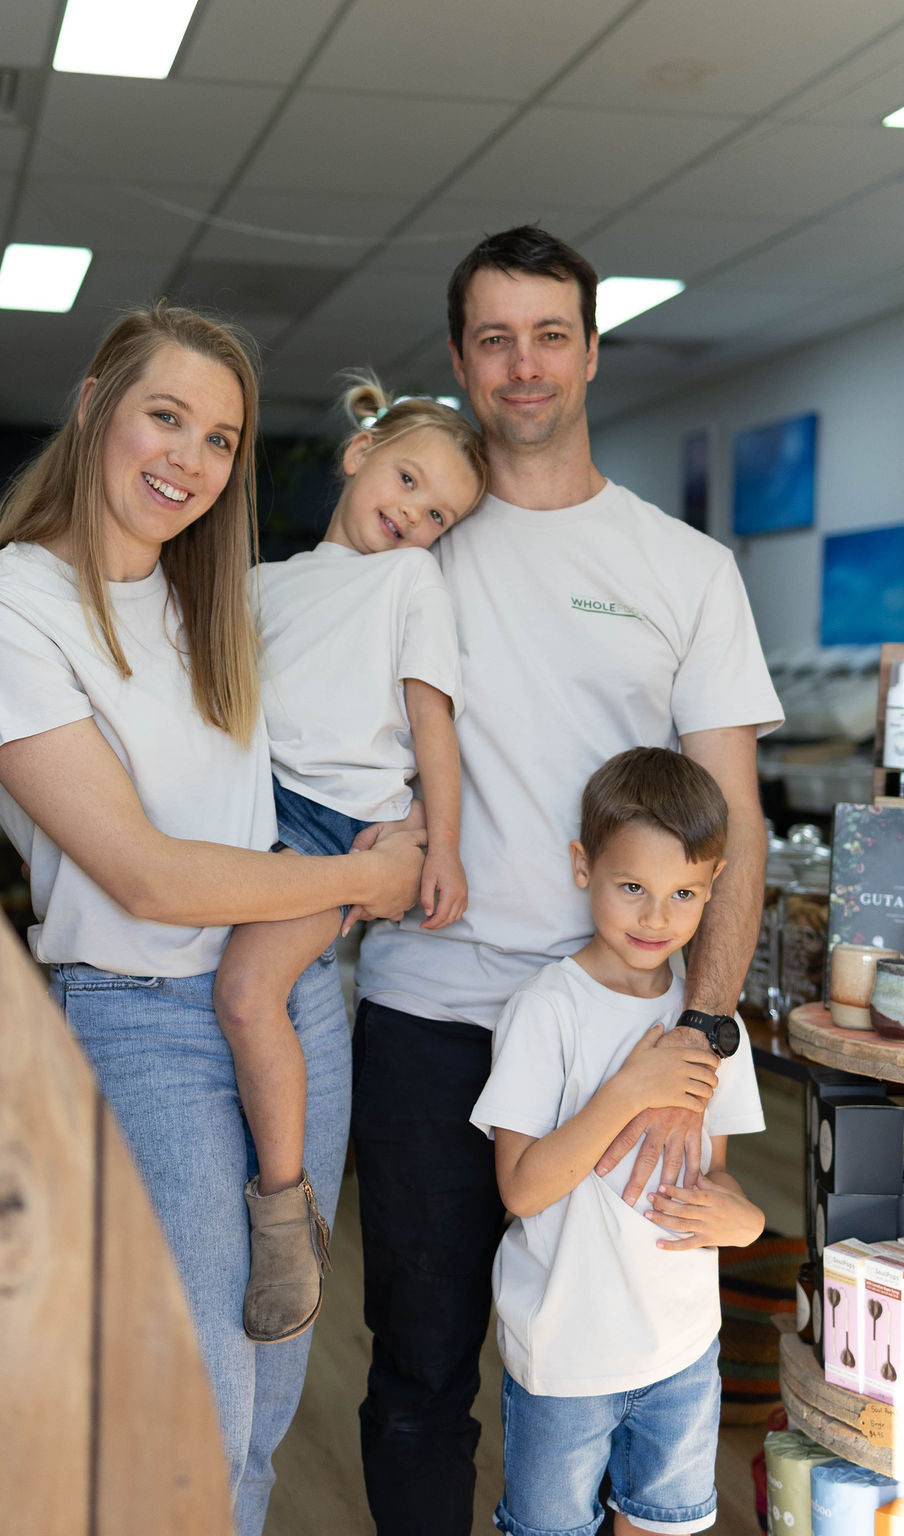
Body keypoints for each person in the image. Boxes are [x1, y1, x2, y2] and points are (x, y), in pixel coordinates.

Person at [0, 302, 425, 1536]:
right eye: (166, 416)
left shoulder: (220, 606)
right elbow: (147, 876)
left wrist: (408, 828)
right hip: (145, 1030)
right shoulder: (6, 614)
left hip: (294, 1009)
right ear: (97, 401)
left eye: (221, 439)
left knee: (264, 1401)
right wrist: (363, 881)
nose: (188, 460)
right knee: (189, 1412)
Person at [351, 226, 784, 1533]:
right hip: (433, 1009)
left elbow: (738, 828)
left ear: (593, 352)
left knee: (637, 1357)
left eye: (551, 335)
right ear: (459, 360)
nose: (524, 365)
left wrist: (701, 1034)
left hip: (632, 1026)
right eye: (495, 338)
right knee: (423, 1358)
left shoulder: (684, 571)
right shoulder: (407, 547)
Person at [213, 375, 485, 1345]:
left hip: (334, 826)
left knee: (247, 995)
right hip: (243, 812)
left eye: (436, 512)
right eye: (406, 479)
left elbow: (432, 721)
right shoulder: (260, 583)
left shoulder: (408, 581)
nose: (411, 514)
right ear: (357, 452)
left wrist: (436, 842)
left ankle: (285, 1215)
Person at [471, 747, 765, 1536]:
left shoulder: (711, 1029)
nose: (656, 917)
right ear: (583, 867)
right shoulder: (546, 1011)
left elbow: (718, 1179)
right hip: (567, 1357)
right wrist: (628, 1093)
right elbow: (522, 1188)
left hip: (682, 1351)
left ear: (715, 886)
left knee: (665, 1525)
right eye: (632, 887)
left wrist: (745, 1223)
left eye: (683, 895)